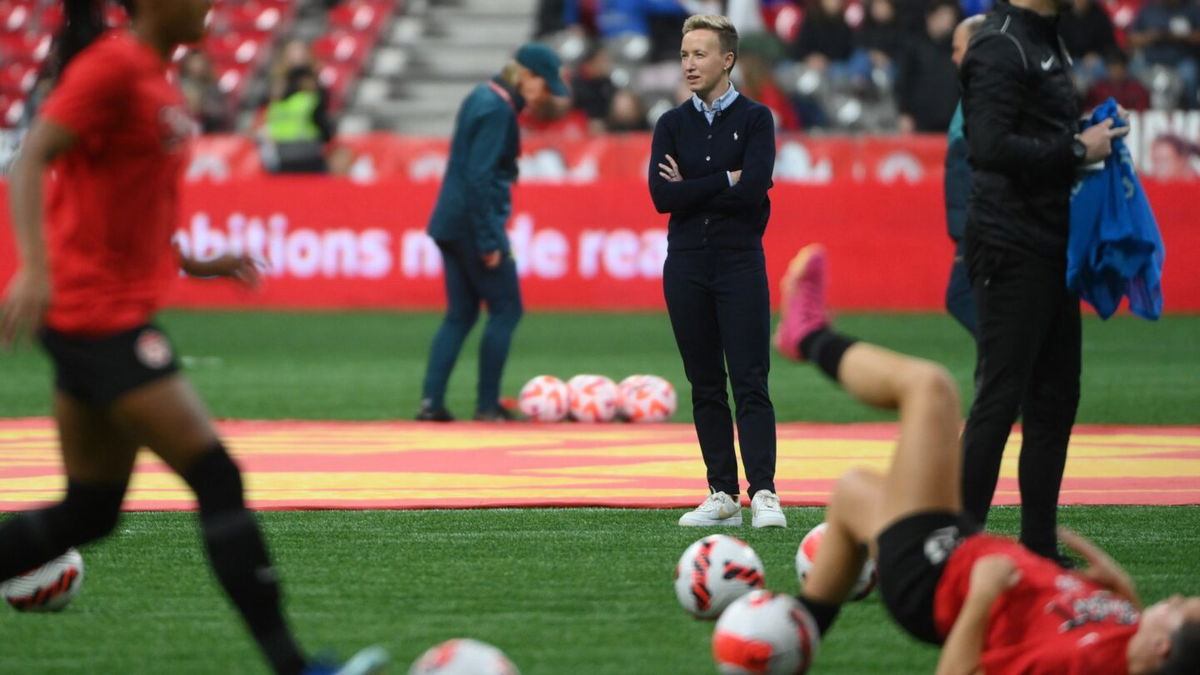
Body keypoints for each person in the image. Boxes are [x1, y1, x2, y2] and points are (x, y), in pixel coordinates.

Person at [0, 2, 386, 674]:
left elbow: (124, 208)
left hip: (102, 312)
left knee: (91, 510)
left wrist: (199, 262)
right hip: (98, 317)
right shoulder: (116, 65)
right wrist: (33, 265)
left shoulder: (154, 77)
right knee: (216, 474)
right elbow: (33, 154)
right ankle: (296, 667)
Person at [774, 244, 1200, 674]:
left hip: (932, 580)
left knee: (930, 388)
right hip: (967, 549)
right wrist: (1125, 595)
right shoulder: (1129, 641)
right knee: (854, 491)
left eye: (1180, 607)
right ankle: (792, 640)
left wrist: (978, 601)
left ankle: (807, 334)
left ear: (1162, 646)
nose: (1176, 598)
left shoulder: (1076, 662)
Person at [958, 0, 1128, 563]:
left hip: (1055, 242)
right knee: (1001, 397)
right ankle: (958, 542)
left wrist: (1083, 134)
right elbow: (988, 146)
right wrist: (1078, 148)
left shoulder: (1045, 38)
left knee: (1055, 399)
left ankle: (1036, 547)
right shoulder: (998, 43)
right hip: (1011, 244)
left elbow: (1030, 135)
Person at [649, 14, 786, 529]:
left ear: (726, 60)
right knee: (704, 382)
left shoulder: (756, 120)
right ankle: (722, 492)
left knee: (751, 379)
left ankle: (765, 491)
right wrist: (723, 178)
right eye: (684, 55)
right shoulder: (671, 123)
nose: (688, 64)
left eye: (699, 54)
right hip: (685, 265)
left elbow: (754, 188)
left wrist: (697, 184)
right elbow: (663, 197)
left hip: (738, 262)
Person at [416, 43, 567, 423]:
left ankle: (431, 402)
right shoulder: (498, 110)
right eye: (542, 85)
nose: (543, 95)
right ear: (526, 75)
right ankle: (487, 405)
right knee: (506, 309)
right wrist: (488, 240)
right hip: (472, 224)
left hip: (449, 220)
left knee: (461, 314)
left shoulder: (481, 96)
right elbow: (480, 179)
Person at [943, 15, 985, 339]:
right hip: (977, 215)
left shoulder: (988, 94)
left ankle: (1011, 357)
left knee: (961, 297)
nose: (954, 57)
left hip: (981, 217)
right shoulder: (975, 90)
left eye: (958, 48)